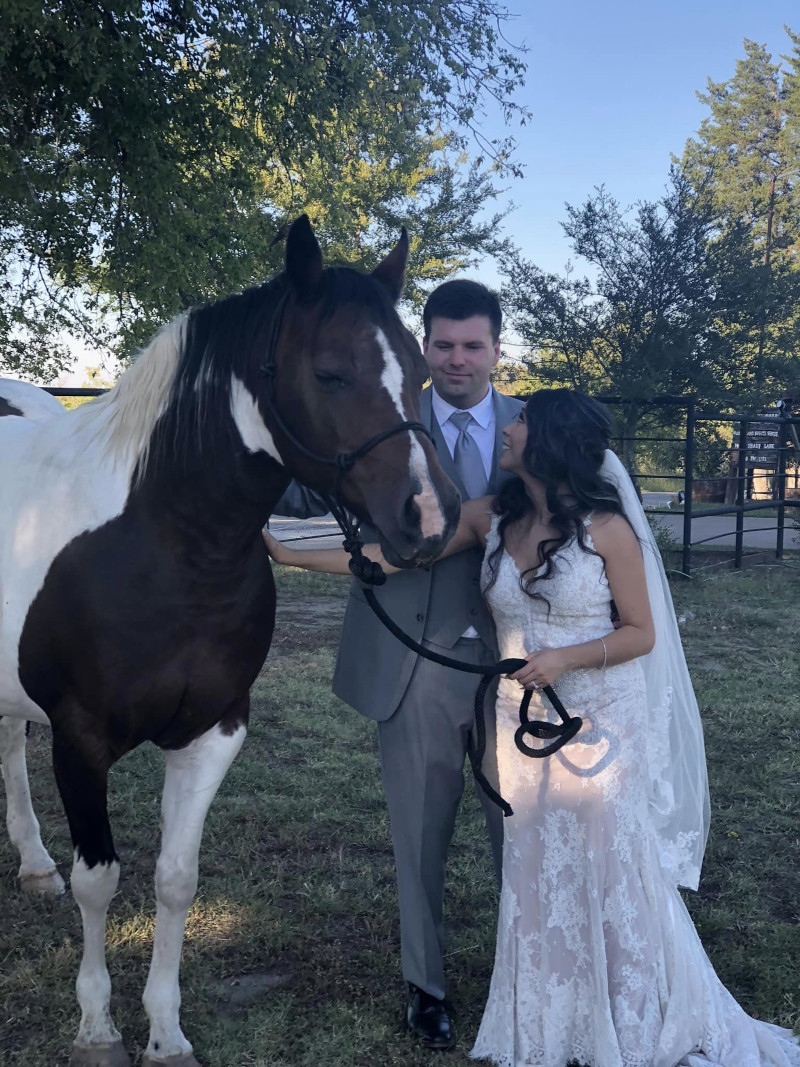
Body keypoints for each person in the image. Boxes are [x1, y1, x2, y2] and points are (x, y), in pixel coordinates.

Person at [265, 388, 800, 1067]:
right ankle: (554, 1012)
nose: (508, 428)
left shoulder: (609, 530)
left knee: (607, 861)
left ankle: (632, 1002)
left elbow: (641, 632)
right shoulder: (490, 516)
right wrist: (288, 551)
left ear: (548, 440)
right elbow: (397, 553)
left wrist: (565, 658)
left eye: (520, 422)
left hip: (599, 713)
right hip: (516, 717)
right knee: (534, 861)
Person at [273, 280, 523, 1049]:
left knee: (528, 834)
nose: (456, 359)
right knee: (420, 837)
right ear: (422, 348)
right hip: (414, 660)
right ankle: (427, 987)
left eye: (472, 345)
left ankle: (530, 974)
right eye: (442, 344)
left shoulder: (532, 425)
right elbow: (286, 489)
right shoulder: (375, 411)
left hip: (524, 665)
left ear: (496, 350)